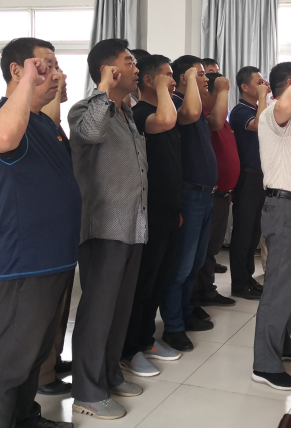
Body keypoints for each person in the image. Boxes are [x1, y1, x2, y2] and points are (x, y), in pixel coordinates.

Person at [0, 37, 80, 428]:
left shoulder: (40, 122)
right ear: (16, 71)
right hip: (26, 260)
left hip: (55, 257)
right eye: (44, 65)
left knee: (37, 353)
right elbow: (4, 139)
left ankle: (25, 417)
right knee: (13, 357)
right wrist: (28, 82)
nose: (53, 73)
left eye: (54, 65)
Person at [69, 39, 149, 421]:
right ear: (109, 69)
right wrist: (103, 89)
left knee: (119, 309)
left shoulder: (127, 113)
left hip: (133, 225)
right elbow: (89, 134)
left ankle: (110, 374)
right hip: (103, 226)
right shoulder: (85, 109)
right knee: (98, 312)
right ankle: (87, 391)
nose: (137, 68)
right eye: (129, 61)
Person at [252, 62, 291, 391]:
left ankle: (282, 343)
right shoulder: (273, 115)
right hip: (285, 209)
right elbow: (285, 104)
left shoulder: (290, 120)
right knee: (279, 285)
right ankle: (264, 364)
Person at [120, 54, 184, 378]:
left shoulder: (162, 110)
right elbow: (168, 119)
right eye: (167, 75)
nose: (173, 81)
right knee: (143, 284)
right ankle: (129, 349)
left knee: (159, 280)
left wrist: (177, 209)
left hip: (168, 211)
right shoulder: (142, 113)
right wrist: (161, 88)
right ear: (149, 80)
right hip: (149, 212)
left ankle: (146, 340)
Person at [159, 55, 218, 353]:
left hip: (205, 196)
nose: (206, 78)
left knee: (194, 264)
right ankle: (173, 326)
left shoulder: (195, 103)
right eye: (200, 74)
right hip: (189, 196)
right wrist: (192, 81)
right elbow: (191, 114)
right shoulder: (177, 103)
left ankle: (185, 312)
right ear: (184, 78)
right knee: (180, 267)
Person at [37, 65, 74, 396]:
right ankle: (43, 374)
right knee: (46, 309)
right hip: (45, 236)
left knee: (61, 304)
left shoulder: (55, 127)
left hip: (63, 233)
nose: (62, 81)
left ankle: (54, 359)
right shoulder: (41, 125)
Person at [192, 72, 239, 309]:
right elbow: (217, 121)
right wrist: (223, 89)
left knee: (212, 249)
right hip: (210, 194)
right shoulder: (206, 116)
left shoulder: (219, 117)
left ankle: (207, 289)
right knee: (203, 250)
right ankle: (198, 295)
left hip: (223, 194)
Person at [229, 66, 270, 300]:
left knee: (254, 232)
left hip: (260, 176)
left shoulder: (257, 108)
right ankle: (239, 283)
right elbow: (259, 125)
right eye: (259, 82)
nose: (263, 85)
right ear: (245, 87)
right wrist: (263, 97)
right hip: (248, 176)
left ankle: (248, 278)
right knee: (243, 233)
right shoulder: (240, 111)